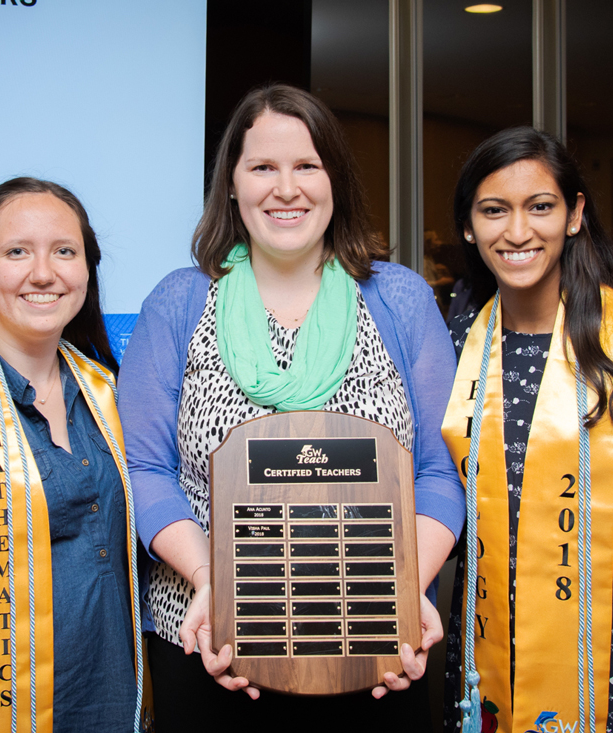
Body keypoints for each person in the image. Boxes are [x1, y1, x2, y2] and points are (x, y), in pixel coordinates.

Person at [117, 83, 465, 732]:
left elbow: (440, 473)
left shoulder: (402, 300)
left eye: (307, 165)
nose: (286, 187)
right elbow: (147, 470)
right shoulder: (178, 302)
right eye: (263, 167)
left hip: (375, 641)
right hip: (209, 637)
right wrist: (212, 582)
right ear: (231, 183)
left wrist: (398, 593)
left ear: (335, 177)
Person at [440, 127, 613, 733]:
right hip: (485, 673)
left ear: (575, 214)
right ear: (467, 226)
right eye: (493, 211)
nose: (517, 232)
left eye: (540, 206)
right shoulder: (457, 348)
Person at [0, 178, 148, 732]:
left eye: (64, 252)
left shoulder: (113, 397)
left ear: (86, 271)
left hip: (119, 704)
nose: (43, 273)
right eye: (17, 251)